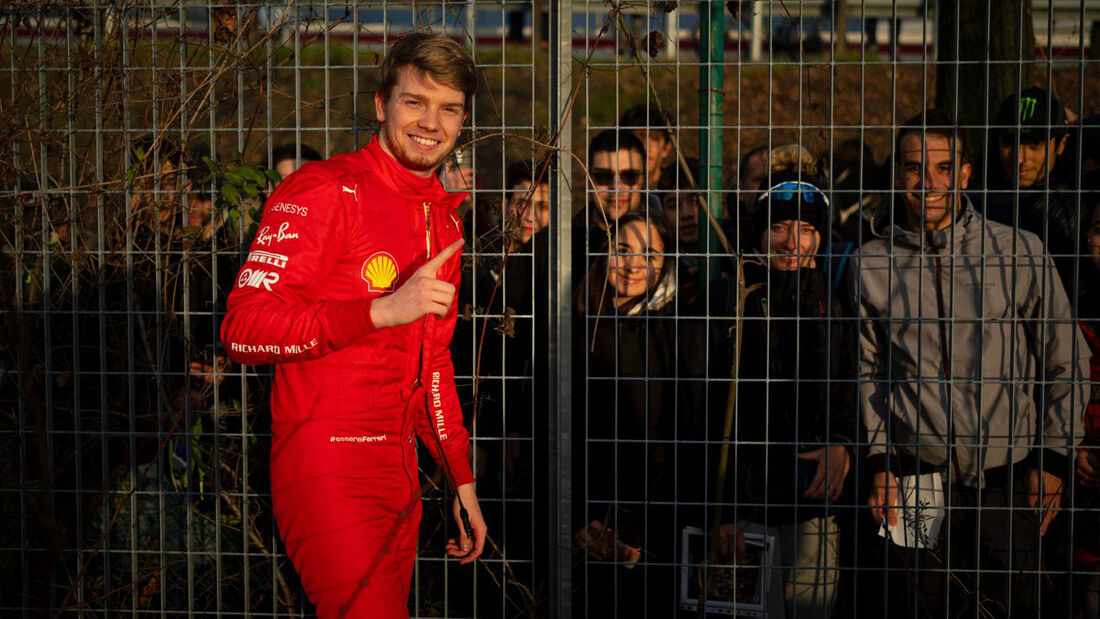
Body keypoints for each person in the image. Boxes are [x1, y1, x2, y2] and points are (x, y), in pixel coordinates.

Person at [220, 33, 487, 618]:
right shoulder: (322, 189)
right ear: (380, 105)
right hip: (326, 469)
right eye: (415, 101)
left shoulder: (441, 217)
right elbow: (243, 329)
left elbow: (432, 362)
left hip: (399, 476)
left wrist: (459, 477)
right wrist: (378, 311)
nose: (431, 122)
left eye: (449, 108)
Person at [850, 110, 1088, 618]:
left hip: (1009, 482)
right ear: (898, 175)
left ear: (964, 173)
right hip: (915, 480)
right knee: (919, 606)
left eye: (942, 167)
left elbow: (1067, 360)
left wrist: (1052, 457)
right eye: (915, 168)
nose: (928, 182)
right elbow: (866, 371)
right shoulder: (869, 262)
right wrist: (879, 462)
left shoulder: (1019, 252)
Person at [709, 176, 856, 619]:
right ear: (758, 232)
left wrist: (842, 445)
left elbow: (849, 384)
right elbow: (710, 409)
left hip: (814, 499)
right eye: (780, 227)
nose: (793, 241)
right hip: (745, 503)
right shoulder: (728, 300)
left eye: (806, 229)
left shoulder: (831, 302)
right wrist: (726, 504)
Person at [572, 209, 701, 616]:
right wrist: (579, 514)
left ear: (665, 267)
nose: (631, 265)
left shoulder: (673, 333)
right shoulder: (571, 325)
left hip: (652, 522)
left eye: (649, 255)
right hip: (580, 515)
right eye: (622, 249)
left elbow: (683, 433)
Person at [986, 87, 1078, 292]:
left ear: (1061, 143)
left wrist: (1086, 126)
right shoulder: (978, 197)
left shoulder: (1081, 198)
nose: (1019, 158)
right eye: (1009, 142)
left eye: (1034, 144)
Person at [619, 103, 674, 190]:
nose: (646, 146)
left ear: (666, 149)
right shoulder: (612, 188)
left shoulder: (677, 190)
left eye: (655, 138)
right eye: (639, 137)